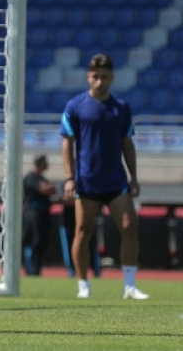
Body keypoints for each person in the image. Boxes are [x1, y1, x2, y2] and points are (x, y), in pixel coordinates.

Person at [60, 53, 148, 300]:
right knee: (83, 230)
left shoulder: (121, 107)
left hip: (116, 181)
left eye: (104, 77)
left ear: (112, 78)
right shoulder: (75, 106)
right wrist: (69, 177)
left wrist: (134, 177)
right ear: (88, 77)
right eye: (95, 77)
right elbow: (67, 143)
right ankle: (83, 285)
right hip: (87, 180)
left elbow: (127, 144)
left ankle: (129, 286)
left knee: (129, 226)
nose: (99, 81)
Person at [21, 155, 56, 276]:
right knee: (32, 240)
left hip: (44, 213)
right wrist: (48, 187)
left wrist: (49, 187)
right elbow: (44, 189)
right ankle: (30, 269)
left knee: (42, 241)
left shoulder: (43, 178)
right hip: (32, 212)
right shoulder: (30, 178)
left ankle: (37, 268)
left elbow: (52, 190)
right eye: (45, 162)